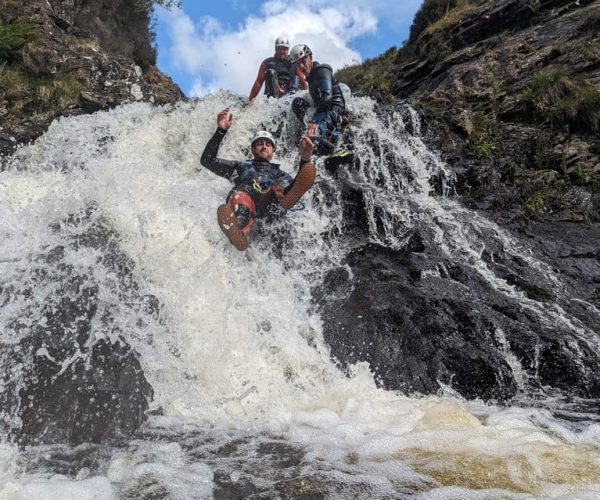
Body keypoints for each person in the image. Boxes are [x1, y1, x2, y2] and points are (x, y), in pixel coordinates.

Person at [200, 107, 317, 251]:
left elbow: (298, 184)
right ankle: (239, 230)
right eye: (260, 143)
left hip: (271, 205)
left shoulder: (280, 173)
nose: (264, 146)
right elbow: (207, 160)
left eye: (268, 144)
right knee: (240, 195)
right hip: (247, 199)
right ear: (252, 150)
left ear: (273, 151)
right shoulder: (240, 166)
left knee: (282, 189)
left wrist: (305, 159)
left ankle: (302, 165)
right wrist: (221, 131)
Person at [289, 44, 349, 155]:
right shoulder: (311, 77)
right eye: (298, 64)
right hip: (325, 113)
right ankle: (316, 137)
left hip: (335, 113)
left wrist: (315, 121)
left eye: (303, 61)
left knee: (313, 136)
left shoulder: (321, 71)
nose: (301, 66)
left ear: (310, 57)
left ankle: (334, 147)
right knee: (297, 103)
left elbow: (327, 97)